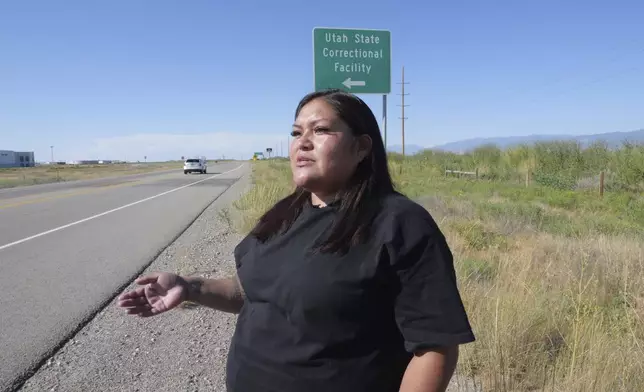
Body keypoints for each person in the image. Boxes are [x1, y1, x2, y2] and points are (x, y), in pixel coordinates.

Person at [117, 88, 475, 392]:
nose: (302, 142)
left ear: (362, 147)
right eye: (295, 132)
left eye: (320, 130)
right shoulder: (285, 214)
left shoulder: (399, 223)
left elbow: (436, 346)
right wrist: (189, 286)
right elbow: (248, 292)